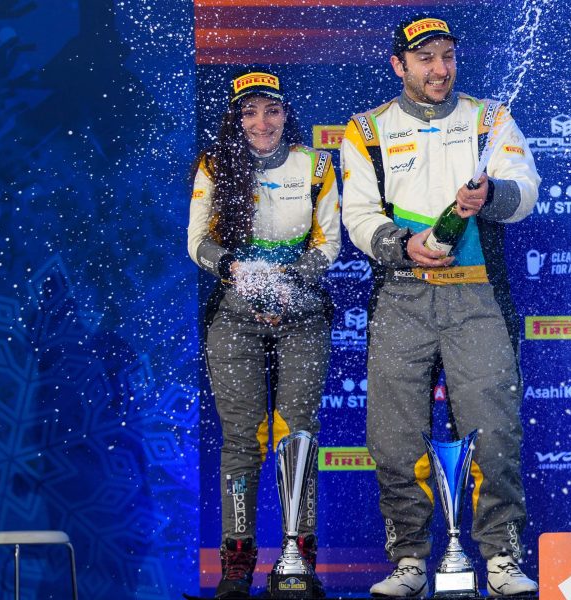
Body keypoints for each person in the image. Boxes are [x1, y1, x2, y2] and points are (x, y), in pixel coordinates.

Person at [339, 14, 541, 597]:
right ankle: (408, 561)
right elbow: (358, 216)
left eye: (447, 56)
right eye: (425, 58)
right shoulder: (367, 129)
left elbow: (526, 191)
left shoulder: (489, 118)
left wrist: (491, 195)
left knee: (493, 431)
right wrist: (402, 244)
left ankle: (500, 557)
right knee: (395, 438)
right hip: (401, 297)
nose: (439, 69)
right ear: (399, 65)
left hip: (476, 295)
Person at [188, 70, 339, 599]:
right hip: (234, 314)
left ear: (285, 114)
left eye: (271, 110)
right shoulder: (214, 164)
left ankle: (298, 560)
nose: (261, 122)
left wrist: (287, 284)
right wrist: (240, 273)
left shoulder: (315, 164)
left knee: (298, 435)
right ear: (235, 119)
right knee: (241, 438)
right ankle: (236, 566)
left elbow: (328, 243)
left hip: (301, 313)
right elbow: (198, 243)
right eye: (249, 112)